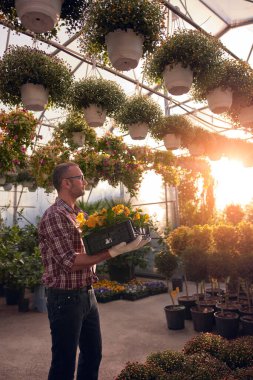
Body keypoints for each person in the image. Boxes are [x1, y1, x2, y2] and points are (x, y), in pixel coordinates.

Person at [38, 162, 150, 380]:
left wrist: (123, 240)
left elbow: (95, 247)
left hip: (87, 294)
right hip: (65, 298)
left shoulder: (79, 214)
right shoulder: (54, 216)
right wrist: (113, 252)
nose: (84, 181)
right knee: (64, 362)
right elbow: (69, 261)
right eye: (80, 177)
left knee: (92, 354)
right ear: (66, 183)